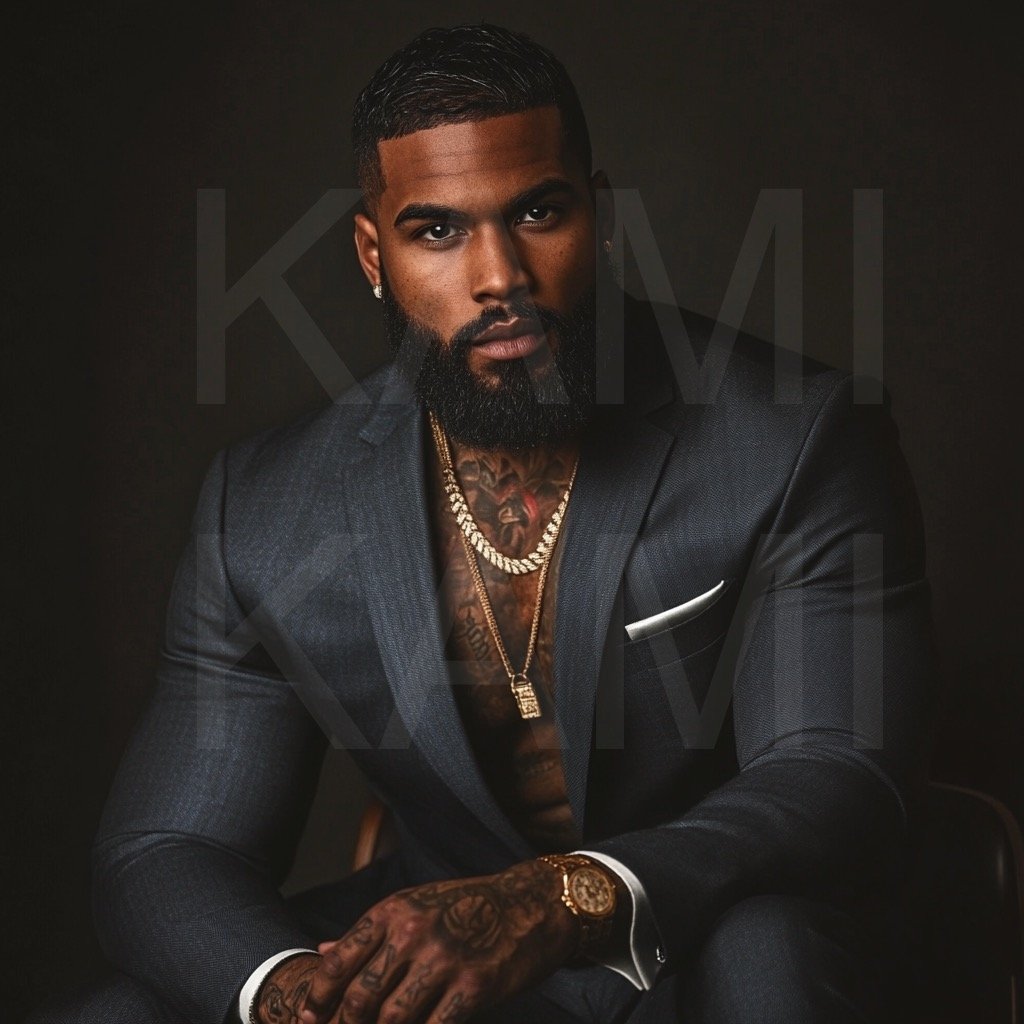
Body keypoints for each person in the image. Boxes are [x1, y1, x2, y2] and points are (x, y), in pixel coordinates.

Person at [33, 22, 935, 1024]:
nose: (500, 274)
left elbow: (833, 773)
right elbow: (168, 845)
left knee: (769, 947)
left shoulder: (793, 438)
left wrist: (561, 899)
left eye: (538, 212)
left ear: (598, 213)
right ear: (373, 255)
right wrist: (299, 1000)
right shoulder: (266, 507)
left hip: (697, 934)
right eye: (437, 231)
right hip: (447, 960)